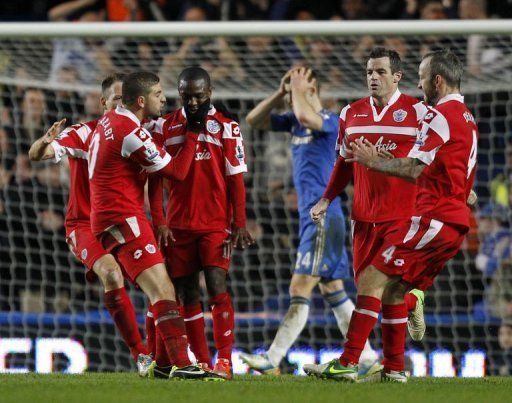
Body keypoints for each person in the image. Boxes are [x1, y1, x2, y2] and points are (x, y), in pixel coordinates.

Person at [308, 49, 478, 383]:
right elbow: (344, 162)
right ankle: (395, 368)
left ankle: (348, 362)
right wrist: (328, 197)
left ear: (396, 76)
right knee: (387, 290)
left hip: (411, 216)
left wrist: (376, 161)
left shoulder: (424, 112)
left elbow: (419, 166)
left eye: (380, 71)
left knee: (375, 283)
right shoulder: (351, 113)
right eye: (369, 71)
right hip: (368, 217)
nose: (373, 77)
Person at [238, 66, 379, 376]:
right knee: (333, 289)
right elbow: (253, 120)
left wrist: (299, 90)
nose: (291, 99)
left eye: (297, 92)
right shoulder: (295, 122)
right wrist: (280, 92)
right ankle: (367, 356)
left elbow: (305, 116)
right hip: (313, 217)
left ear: (313, 92)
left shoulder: (330, 121)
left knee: (299, 286)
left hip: (322, 216)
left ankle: (272, 358)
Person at [88, 70, 216, 380]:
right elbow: (177, 172)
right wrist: (194, 131)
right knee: (162, 289)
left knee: (161, 288)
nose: (165, 99)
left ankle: (162, 364)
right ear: (142, 101)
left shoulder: (111, 121)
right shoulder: (129, 131)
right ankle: (184, 364)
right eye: (159, 94)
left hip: (113, 215)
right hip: (122, 217)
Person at [28, 74, 151, 373]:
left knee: (159, 282)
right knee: (111, 273)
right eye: (117, 99)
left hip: (124, 220)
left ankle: (169, 352)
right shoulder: (85, 133)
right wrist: (45, 141)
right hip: (84, 224)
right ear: (104, 103)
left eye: (127, 99)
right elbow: (37, 155)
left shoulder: (140, 134)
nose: (122, 105)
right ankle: (141, 354)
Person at [148, 66, 253, 380]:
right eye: (187, 96)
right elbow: (154, 180)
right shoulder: (165, 126)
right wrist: (161, 220)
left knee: (218, 287)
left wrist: (240, 223)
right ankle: (203, 362)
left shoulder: (227, 128)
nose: (193, 102)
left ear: (210, 92)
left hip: (214, 224)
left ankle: (225, 360)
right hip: (178, 226)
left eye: (199, 95)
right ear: (179, 94)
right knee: (187, 294)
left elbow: (236, 180)